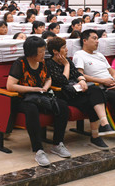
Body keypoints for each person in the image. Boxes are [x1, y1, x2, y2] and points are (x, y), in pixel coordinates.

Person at [7, 36, 71, 166]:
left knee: (62, 106)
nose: (44, 54)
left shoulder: (42, 62)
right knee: (32, 109)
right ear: (32, 52)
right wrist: (32, 89)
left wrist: (45, 88)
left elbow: (48, 79)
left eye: (44, 50)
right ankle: (38, 150)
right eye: (41, 51)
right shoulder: (20, 63)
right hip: (23, 98)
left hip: (41, 96)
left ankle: (57, 144)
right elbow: (10, 86)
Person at [45, 37, 115, 150]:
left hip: (75, 91)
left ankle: (103, 125)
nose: (67, 50)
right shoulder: (49, 64)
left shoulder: (67, 60)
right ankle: (97, 134)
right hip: (63, 95)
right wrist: (66, 65)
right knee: (92, 101)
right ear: (55, 51)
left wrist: (82, 80)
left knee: (96, 91)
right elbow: (63, 81)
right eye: (63, 47)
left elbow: (77, 74)